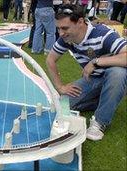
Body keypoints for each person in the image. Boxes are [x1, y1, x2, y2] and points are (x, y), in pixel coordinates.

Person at [46, 4, 127, 141]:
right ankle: (107, 100)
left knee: (118, 73)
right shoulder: (66, 38)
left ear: (80, 22)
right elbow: (50, 60)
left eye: (65, 28)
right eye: (58, 28)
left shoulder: (103, 34)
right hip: (93, 79)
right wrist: (60, 87)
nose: (60, 33)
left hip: (113, 76)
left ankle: (100, 123)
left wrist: (95, 62)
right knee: (62, 104)